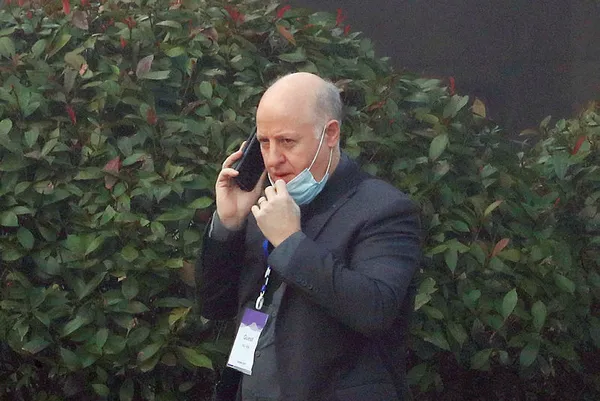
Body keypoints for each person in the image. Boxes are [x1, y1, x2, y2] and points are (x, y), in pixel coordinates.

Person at [197, 72, 422, 401]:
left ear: (330, 134)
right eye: (264, 142)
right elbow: (215, 306)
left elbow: (375, 310)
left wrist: (291, 243)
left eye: (287, 142)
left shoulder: (383, 209)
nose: (273, 159)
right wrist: (228, 224)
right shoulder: (266, 203)